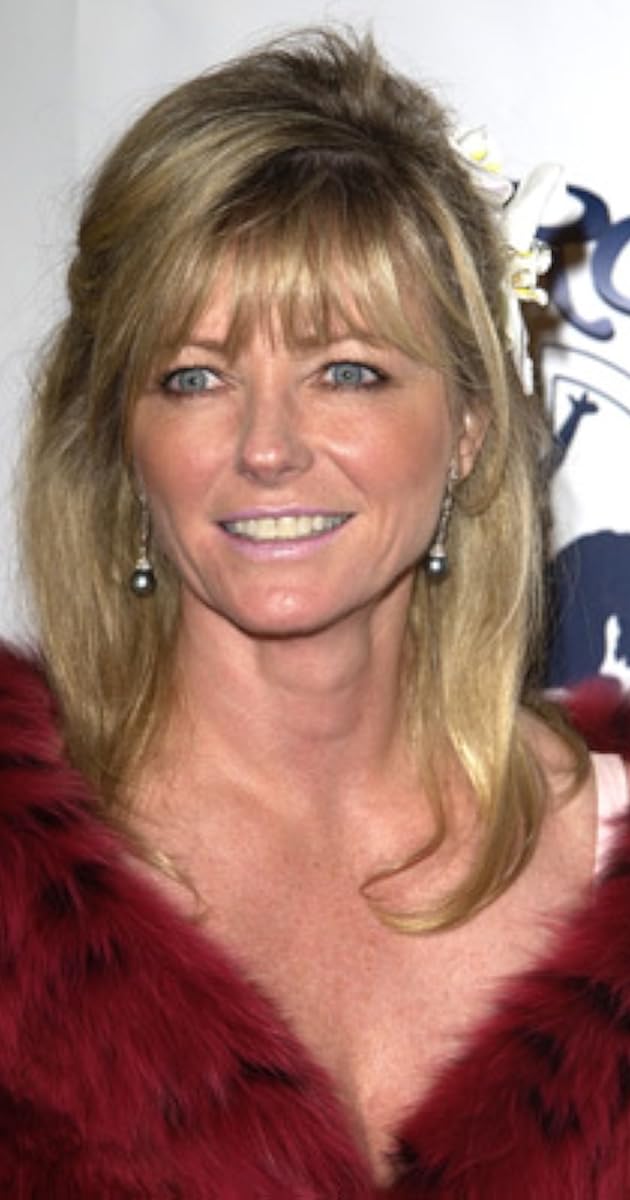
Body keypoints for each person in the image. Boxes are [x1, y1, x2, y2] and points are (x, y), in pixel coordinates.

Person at [1, 27, 629, 1198]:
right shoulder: (20, 878)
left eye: (348, 371)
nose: (268, 447)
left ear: (469, 428)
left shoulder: (610, 862)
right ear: (123, 443)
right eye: (194, 377)